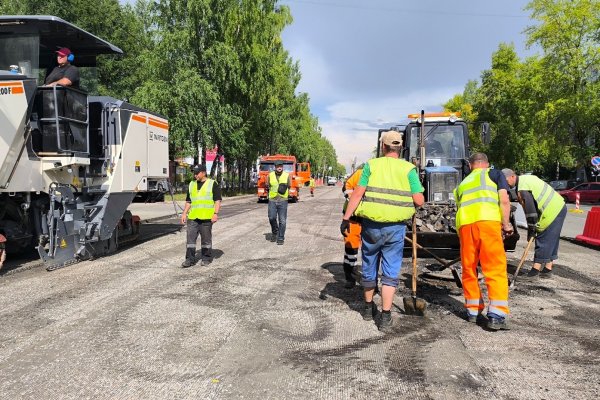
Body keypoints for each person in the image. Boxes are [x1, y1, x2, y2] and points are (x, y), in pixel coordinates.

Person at [342, 131, 424, 332]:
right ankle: (385, 316)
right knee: (390, 270)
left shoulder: (372, 165)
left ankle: (369, 309)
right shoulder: (408, 169)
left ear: (383, 147)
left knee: (369, 264)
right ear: (400, 147)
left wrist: (346, 218)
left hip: (371, 226)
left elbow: (358, 194)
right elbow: (419, 200)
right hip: (395, 228)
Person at [454, 153, 513, 330]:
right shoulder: (494, 174)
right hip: (488, 223)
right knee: (494, 267)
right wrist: (506, 224)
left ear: (471, 166)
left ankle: (472, 310)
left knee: (469, 268)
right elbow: (504, 199)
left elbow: (459, 208)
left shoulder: (462, 184)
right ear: (486, 164)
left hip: (465, 227)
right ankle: (496, 314)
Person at [502, 169, 566, 280]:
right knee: (552, 239)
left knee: (542, 237)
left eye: (505, 180)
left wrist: (531, 230)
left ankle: (535, 271)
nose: (505, 184)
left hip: (552, 210)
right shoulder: (525, 180)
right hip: (559, 206)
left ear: (512, 176)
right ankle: (547, 269)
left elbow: (531, 212)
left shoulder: (523, 188)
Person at [180, 164, 222, 267]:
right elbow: (189, 201)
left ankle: (206, 258)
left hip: (206, 217)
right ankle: (190, 259)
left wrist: (215, 214)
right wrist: (184, 213)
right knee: (190, 240)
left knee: (206, 239)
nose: (195, 175)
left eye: (197, 173)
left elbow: (217, 200)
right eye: (194, 173)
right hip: (193, 217)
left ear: (203, 172)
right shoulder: (191, 184)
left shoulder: (212, 184)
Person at [340, 166, 363, 289]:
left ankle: (371, 280)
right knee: (351, 249)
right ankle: (349, 277)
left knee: (370, 251)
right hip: (353, 219)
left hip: (370, 220)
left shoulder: (382, 176)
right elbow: (346, 187)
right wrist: (353, 199)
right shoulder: (360, 173)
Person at [267, 161, 291, 245]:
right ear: (275, 167)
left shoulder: (287, 175)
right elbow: (268, 185)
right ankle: (275, 231)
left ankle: (280, 237)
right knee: (271, 218)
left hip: (283, 200)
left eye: (281, 166)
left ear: (282, 167)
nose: (279, 167)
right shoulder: (270, 175)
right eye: (278, 166)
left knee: (282, 220)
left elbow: (289, 186)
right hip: (272, 200)